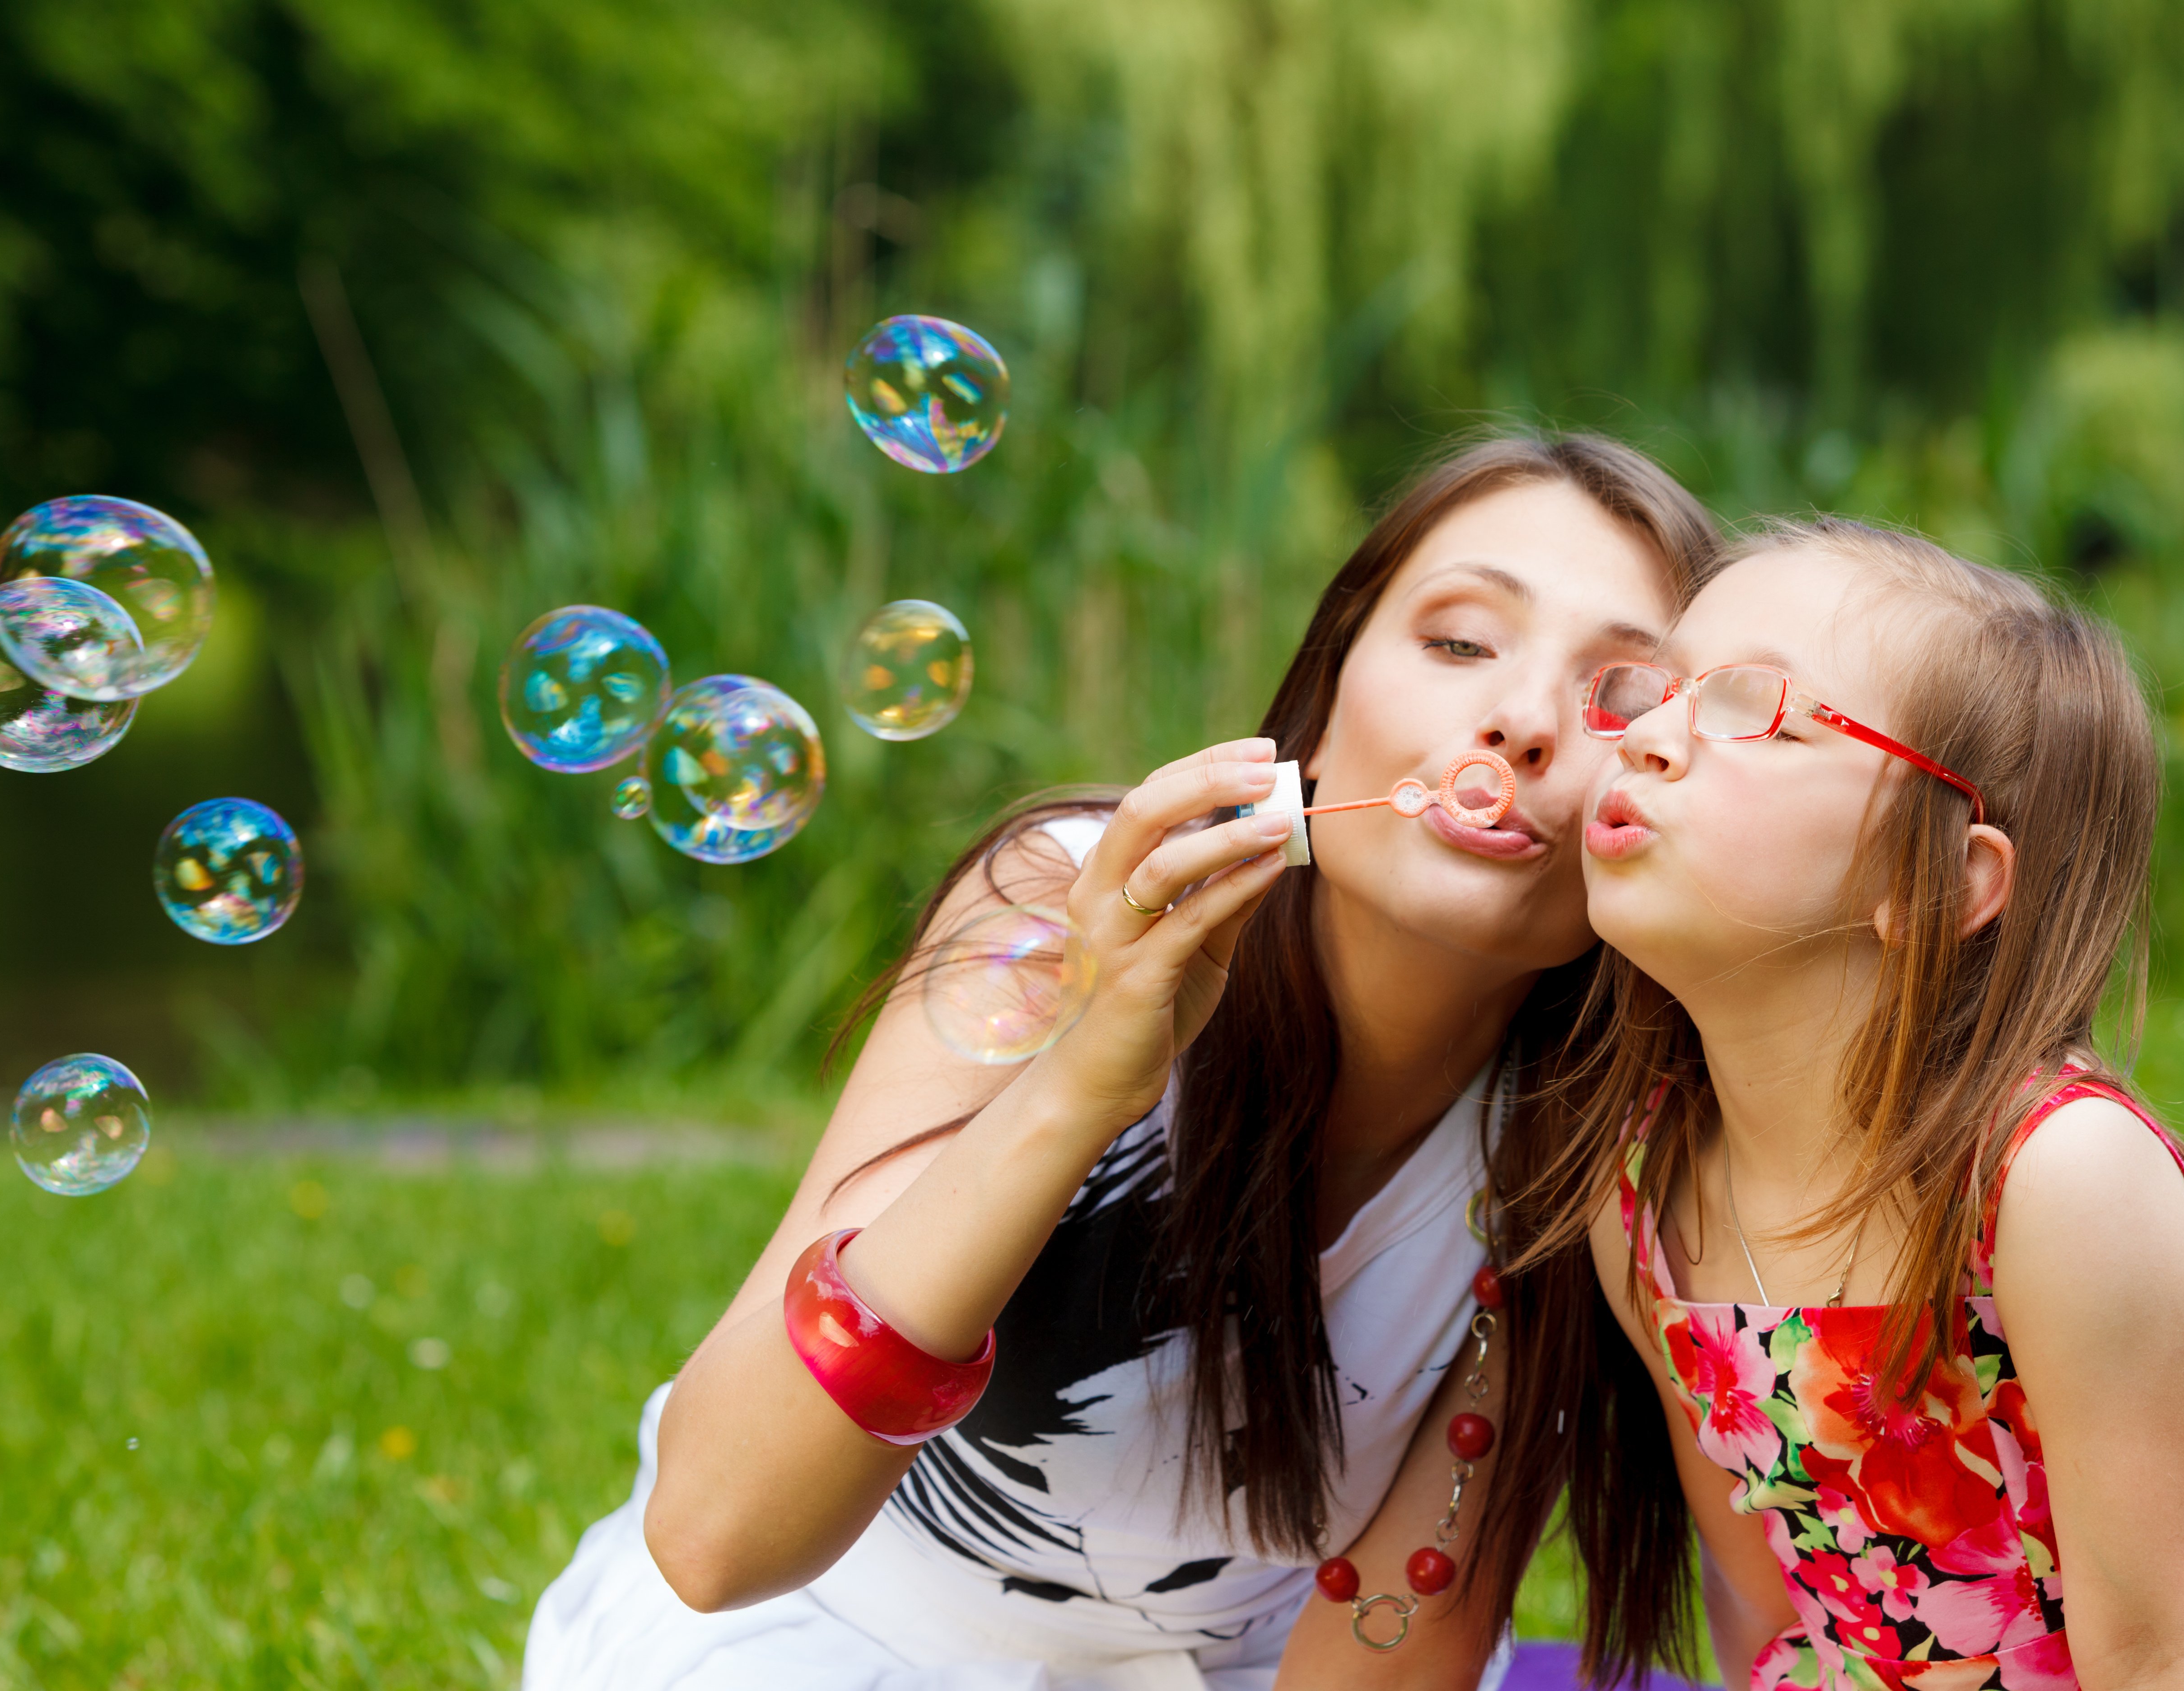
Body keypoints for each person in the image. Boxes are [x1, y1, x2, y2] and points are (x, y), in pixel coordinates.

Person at [521, 434, 1719, 1691]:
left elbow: (1392, 1637)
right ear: (1330, 679)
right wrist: (1090, 1071)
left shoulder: (1588, 1134)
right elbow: (715, 1535)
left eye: (1622, 698)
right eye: (1462, 641)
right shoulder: (1068, 909)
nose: (1523, 721)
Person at [1542, 517, 2184, 1688]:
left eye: (1755, 707)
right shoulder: (1643, 1192)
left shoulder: (2057, 1182)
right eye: (1659, 688)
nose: (1645, 738)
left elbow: (2165, 1655)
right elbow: (1771, 1610)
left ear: (1938, 879)